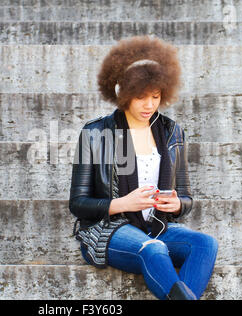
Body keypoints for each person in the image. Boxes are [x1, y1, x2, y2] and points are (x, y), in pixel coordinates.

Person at [69, 35, 218, 300]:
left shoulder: (171, 132)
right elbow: (78, 203)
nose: (149, 105)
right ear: (123, 94)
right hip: (108, 228)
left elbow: (185, 195)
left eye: (156, 96)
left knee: (205, 244)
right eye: (140, 97)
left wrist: (178, 204)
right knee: (153, 249)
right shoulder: (95, 133)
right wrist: (122, 203)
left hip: (156, 225)